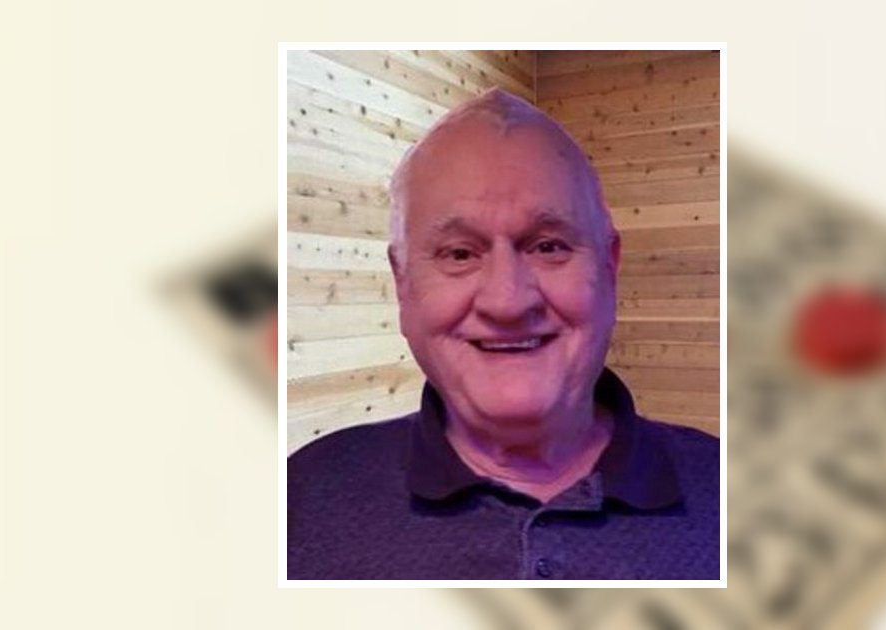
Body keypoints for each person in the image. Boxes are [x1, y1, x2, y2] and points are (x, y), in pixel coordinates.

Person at [287, 88, 721, 580]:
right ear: (403, 283)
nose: (508, 301)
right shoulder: (299, 503)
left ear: (609, 266)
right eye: (459, 254)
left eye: (548, 246)